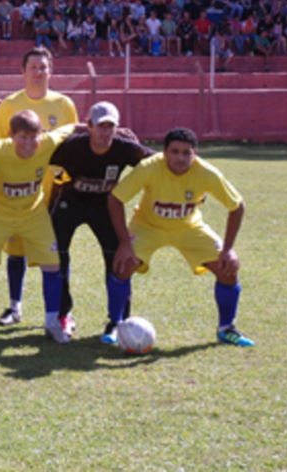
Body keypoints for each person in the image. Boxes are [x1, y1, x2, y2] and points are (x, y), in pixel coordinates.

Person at [108, 127, 253, 347]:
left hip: (188, 227)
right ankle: (115, 326)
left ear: (194, 153)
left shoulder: (206, 173)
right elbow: (115, 198)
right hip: (148, 226)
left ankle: (226, 328)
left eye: (187, 152)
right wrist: (125, 244)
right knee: (123, 265)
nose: (180, 158)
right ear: (165, 151)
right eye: (175, 151)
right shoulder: (149, 168)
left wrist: (228, 249)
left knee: (228, 270)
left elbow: (237, 206)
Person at [47, 102, 153, 339]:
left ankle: (119, 320)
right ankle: (63, 315)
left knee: (119, 258)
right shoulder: (71, 147)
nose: (105, 132)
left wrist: (191, 183)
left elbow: (157, 163)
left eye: (110, 126)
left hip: (105, 206)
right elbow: (38, 151)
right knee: (57, 257)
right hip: (67, 203)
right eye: (100, 126)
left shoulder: (125, 147)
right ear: (89, 126)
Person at [0, 110, 74, 343]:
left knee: (52, 265)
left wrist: (111, 131)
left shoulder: (47, 142)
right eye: (23, 137)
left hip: (33, 215)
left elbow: (71, 128)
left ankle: (51, 323)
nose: (29, 143)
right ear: (11, 135)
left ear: (41, 134)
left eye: (33, 136)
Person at [0, 47, 77, 329]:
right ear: (23, 71)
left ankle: (60, 313)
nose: (38, 72)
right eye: (33, 67)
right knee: (16, 250)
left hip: (55, 190)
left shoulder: (64, 104)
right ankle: (15, 307)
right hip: (18, 188)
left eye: (43, 67)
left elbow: (72, 144)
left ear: (51, 71)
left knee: (55, 251)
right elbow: (1, 145)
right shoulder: (9, 105)